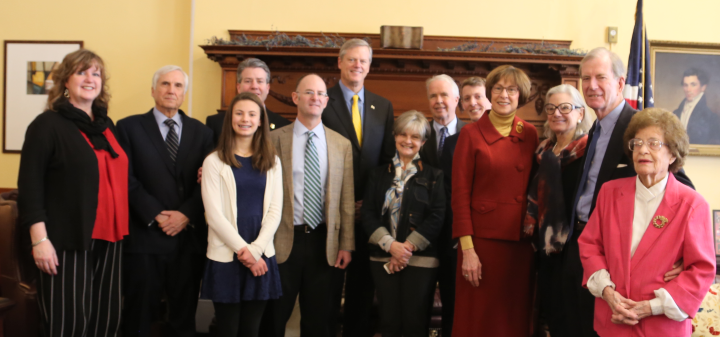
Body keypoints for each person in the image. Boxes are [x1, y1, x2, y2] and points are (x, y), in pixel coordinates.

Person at [569, 47, 694, 337]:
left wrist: (683, 256)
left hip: (625, 267)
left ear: (620, 83)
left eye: (601, 77)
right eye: (585, 78)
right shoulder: (593, 130)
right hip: (586, 252)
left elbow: (681, 188)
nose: (592, 85)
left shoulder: (640, 128)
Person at [17, 49, 128, 337]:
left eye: (96, 73)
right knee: (69, 325)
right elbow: (30, 187)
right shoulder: (46, 126)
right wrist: (39, 240)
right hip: (65, 241)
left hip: (111, 239)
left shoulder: (107, 126)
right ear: (65, 81)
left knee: (106, 322)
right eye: (82, 72)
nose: (90, 78)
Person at [579, 107, 715, 336]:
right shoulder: (610, 192)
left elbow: (701, 271)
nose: (642, 150)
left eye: (654, 143)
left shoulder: (692, 204)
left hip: (661, 327)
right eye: (637, 143)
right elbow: (590, 246)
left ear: (673, 154)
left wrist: (649, 307)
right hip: (613, 322)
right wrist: (608, 293)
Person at [116, 65, 214, 337]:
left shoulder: (202, 133)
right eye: (165, 84)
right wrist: (156, 214)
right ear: (153, 90)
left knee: (182, 319)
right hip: (144, 237)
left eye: (178, 86)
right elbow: (125, 178)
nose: (172, 90)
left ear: (184, 93)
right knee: (139, 316)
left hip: (187, 239)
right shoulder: (128, 127)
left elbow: (208, 181)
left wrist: (185, 215)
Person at [451, 65, 539, 336]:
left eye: (511, 89)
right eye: (498, 89)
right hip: (481, 247)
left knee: (511, 320)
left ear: (520, 95)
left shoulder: (531, 134)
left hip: (519, 245)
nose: (504, 95)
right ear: (489, 93)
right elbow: (459, 196)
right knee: (478, 320)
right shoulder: (471, 134)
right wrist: (467, 250)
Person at [270, 73, 355, 337]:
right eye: (308, 92)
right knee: (273, 317)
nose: (315, 98)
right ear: (296, 98)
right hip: (283, 241)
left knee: (317, 321)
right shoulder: (273, 140)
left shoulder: (341, 145)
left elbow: (346, 200)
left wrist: (346, 244)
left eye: (320, 93)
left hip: (324, 244)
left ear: (326, 101)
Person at [321, 38, 395, 337]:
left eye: (363, 61)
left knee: (362, 293)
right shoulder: (322, 100)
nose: (357, 65)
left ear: (369, 66)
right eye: (351, 59)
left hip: (369, 215)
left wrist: (370, 204)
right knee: (326, 293)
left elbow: (387, 160)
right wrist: (342, 203)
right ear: (339, 62)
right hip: (330, 213)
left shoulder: (383, 106)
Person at [200, 92, 283, 337]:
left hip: (261, 252)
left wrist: (255, 251)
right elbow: (213, 215)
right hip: (226, 254)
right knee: (227, 329)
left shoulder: (272, 162)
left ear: (260, 121)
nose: (245, 119)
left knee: (251, 330)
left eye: (251, 114)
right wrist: (244, 251)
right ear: (230, 119)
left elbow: (275, 211)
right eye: (239, 113)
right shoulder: (214, 162)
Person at [362, 110, 445, 337]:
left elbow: (438, 215)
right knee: (388, 321)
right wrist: (391, 246)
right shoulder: (377, 175)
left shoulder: (435, 176)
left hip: (421, 259)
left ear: (424, 142)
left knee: (414, 323)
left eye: (415, 137)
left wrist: (405, 249)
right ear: (394, 136)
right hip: (382, 256)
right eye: (403, 135)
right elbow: (367, 213)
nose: (408, 141)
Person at [522, 84, 591, 337]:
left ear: (580, 113)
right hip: (545, 250)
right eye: (551, 108)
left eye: (565, 107)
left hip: (576, 249)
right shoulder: (541, 152)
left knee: (573, 319)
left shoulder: (588, 152)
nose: (556, 113)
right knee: (551, 315)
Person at [435, 76, 491, 336]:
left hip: (498, 236)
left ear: (489, 98)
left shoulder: (515, 134)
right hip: (461, 239)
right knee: (455, 308)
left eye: (478, 96)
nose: (473, 103)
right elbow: (451, 194)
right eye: (467, 98)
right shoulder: (453, 143)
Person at [206, 57, 291, 144]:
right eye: (248, 81)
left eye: (260, 81)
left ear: (268, 88)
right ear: (238, 87)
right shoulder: (215, 123)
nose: (254, 86)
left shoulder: (283, 125)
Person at [418, 74, 467, 169]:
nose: (439, 101)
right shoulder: (420, 132)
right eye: (433, 96)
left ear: (456, 100)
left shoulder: (470, 132)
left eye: (444, 95)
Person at [671, 68, 720, 144]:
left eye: (693, 85)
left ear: (703, 87)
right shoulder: (676, 113)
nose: (688, 89)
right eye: (685, 85)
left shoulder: (711, 117)